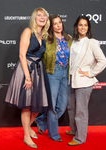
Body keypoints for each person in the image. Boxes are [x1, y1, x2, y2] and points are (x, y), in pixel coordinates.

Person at [4, 7, 50, 149]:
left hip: (38, 70)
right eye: (39, 15)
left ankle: (28, 128)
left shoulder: (43, 35)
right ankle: (26, 136)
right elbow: (22, 55)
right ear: (34, 18)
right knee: (27, 106)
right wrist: (27, 77)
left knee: (36, 106)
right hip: (26, 70)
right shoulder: (28, 31)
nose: (42, 18)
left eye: (45, 16)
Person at [66, 15, 106, 146]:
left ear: (88, 27)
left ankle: (80, 138)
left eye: (85, 25)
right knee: (71, 108)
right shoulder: (74, 42)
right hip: (71, 79)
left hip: (84, 82)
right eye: (80, 25)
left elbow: (103, 61)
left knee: (81, 111)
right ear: (76, 27)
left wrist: (90, 73)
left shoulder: (92, 42)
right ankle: (74, 130)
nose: (82, 27)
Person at [35, 14, 72, 142]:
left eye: (60, 22)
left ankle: (41, 121)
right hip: (52, 73)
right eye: (55, 23)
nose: (58, 26)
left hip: (65, 73)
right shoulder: (47, 39)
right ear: (51, 26)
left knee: (61, 107)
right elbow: (39, 56)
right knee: (52, 106)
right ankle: (54, 134)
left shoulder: (69, 39)